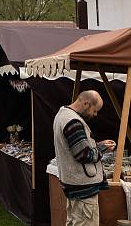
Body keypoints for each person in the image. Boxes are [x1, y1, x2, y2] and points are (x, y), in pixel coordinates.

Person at [53, 90, 115, 226]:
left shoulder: (63, 114)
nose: (95, 114)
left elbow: (77, 148)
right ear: (86, 103)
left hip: (76, 189)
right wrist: (102, 148)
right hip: (82, 191)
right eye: (95, 110)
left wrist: (98, 145)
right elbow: (84, 154)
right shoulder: (73, 122)